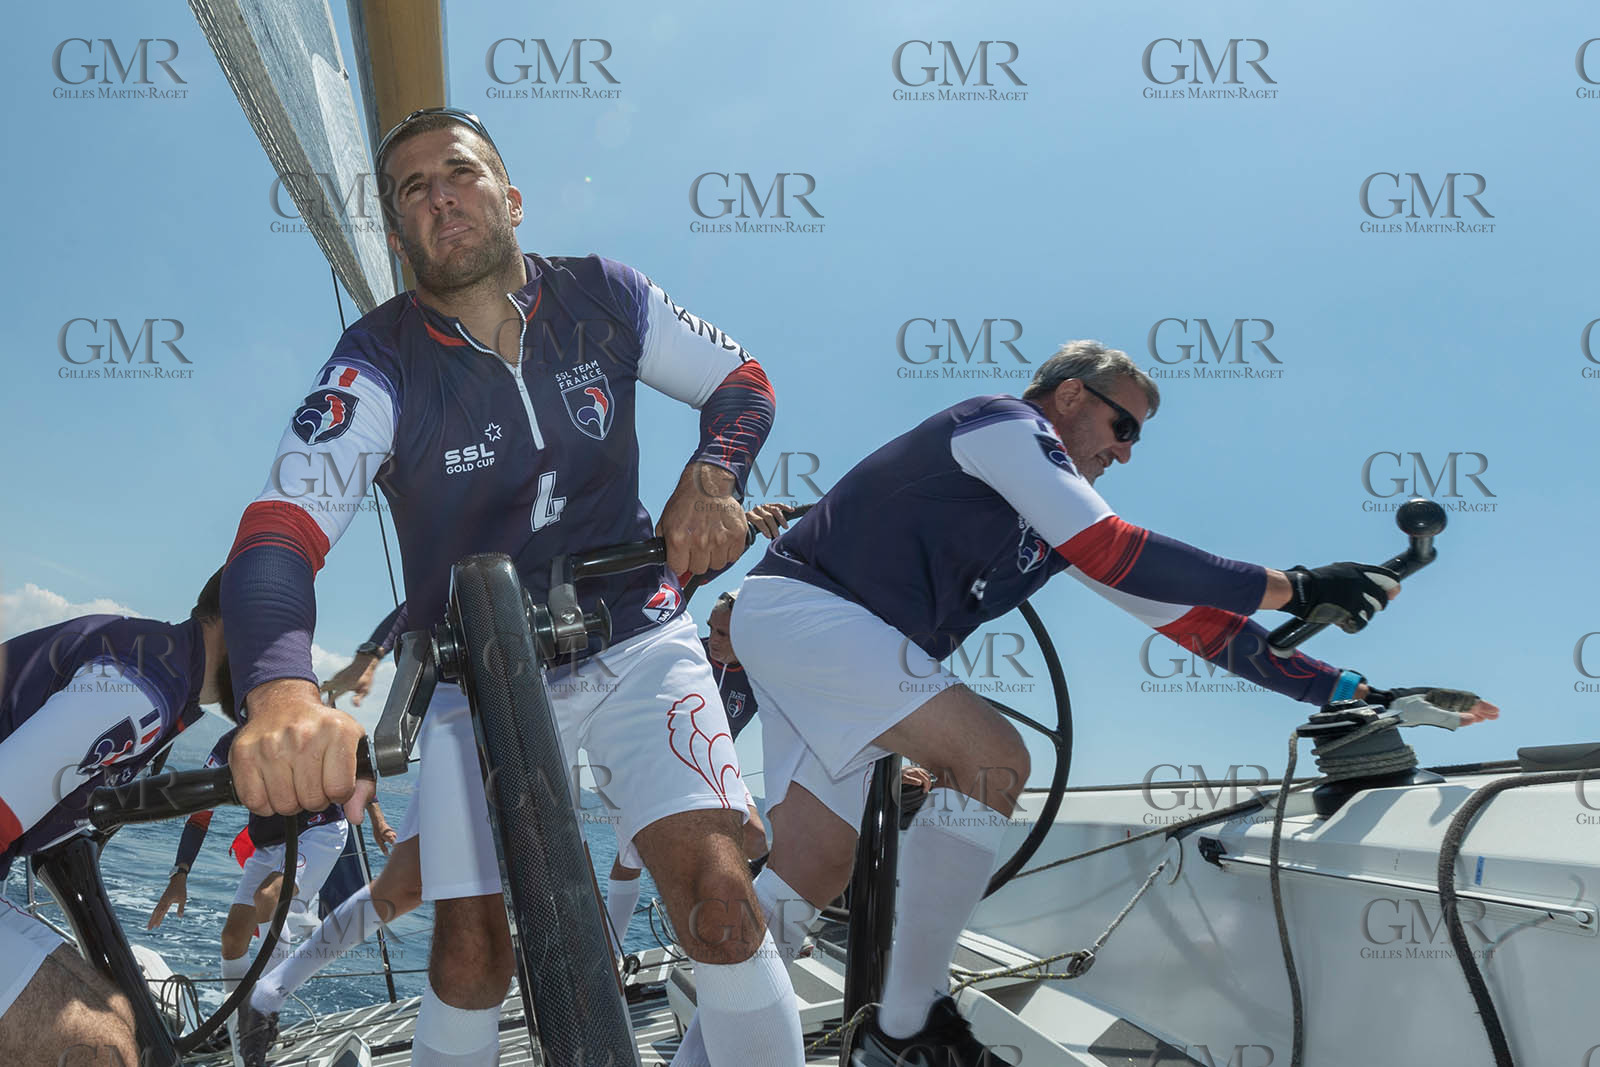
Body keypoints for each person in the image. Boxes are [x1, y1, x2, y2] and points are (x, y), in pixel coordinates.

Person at [725, 340, 1501, 1066]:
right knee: (993, 756)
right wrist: (1299, 584)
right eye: (1121, 423)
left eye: (1136, 437)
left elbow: (1199, 626)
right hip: (810, 614)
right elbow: (1117, 546)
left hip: (831, 645)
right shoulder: (1001, 423)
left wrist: (1350, 689)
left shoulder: (1055, 523)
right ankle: (906, 1025)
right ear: (1068, 394)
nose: (1125, 450)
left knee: (812, 869)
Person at [218, 107, 803, 1065]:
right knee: (471, 948)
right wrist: (280, 688)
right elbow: (282, 529)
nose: (440, 195)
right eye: (412, 189)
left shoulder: (605, 294)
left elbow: (741, 378)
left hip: (633, 639)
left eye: (459, 172)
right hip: (471, 676)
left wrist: (714, 474)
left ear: (511, 196)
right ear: (399, 230)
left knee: (720, 899)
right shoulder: (372, 363)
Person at [0, 569, 236, 1067]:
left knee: (115, 1010)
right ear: (244, 622)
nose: (283, 670)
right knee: (101, 1047)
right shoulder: (144, 689)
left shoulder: (164, 671)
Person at [147, 722, 354, 1058]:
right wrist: (180, 873)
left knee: (268, 897)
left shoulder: (302, 726)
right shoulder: (227, 747)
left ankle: (263, 1020)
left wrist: (375, 818)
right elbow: (200, 815)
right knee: (232, 939)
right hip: (270, 843)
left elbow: (357, 764)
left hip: (319, 832)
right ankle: (237, 1031)